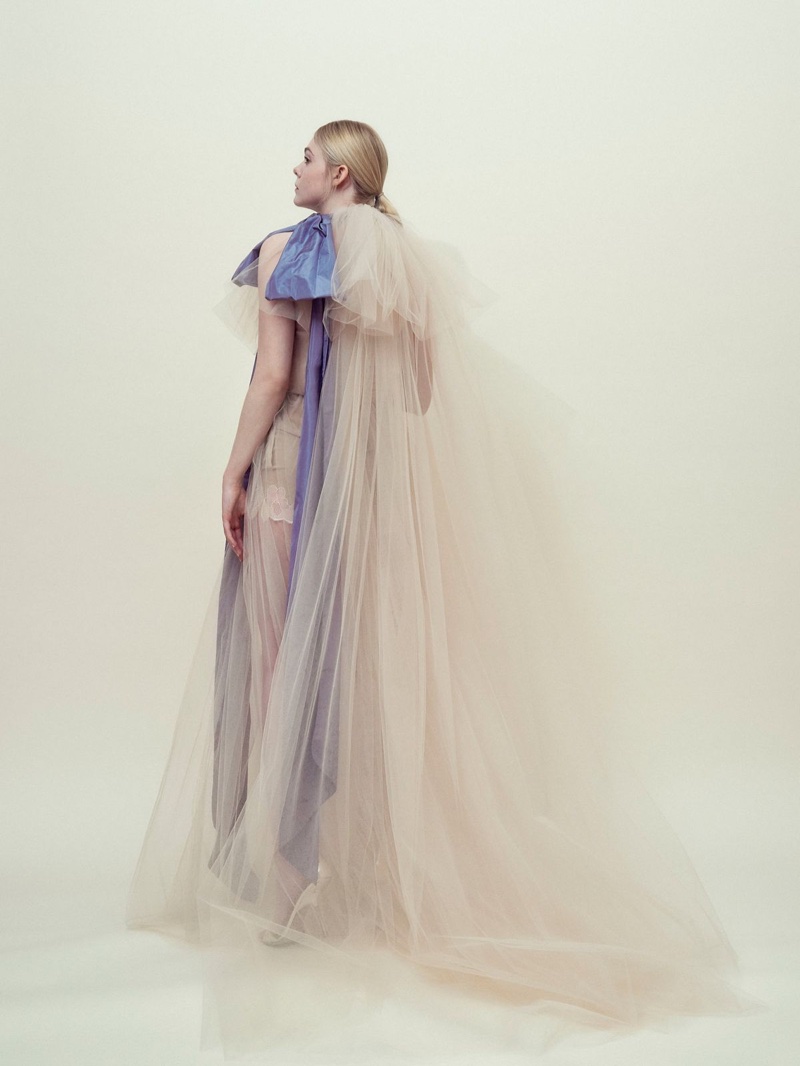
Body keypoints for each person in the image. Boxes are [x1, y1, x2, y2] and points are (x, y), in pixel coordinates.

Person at [127, 120, 758, 1057]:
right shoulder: (409, 262)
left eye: (308, 156)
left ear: (341, 174)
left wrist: (231, 471)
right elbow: (419, 395)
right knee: (353, 672)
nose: (295, 167)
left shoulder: (285, 249)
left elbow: (273, 375)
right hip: (362, 497)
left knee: (277, 667)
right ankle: (356, 868)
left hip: (290, 481)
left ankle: (283, 879)